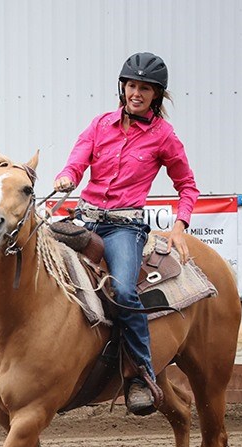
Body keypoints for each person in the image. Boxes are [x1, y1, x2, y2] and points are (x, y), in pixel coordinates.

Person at [52, 52, 199, 416]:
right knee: (34, 259)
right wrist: (68, 176)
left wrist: (180, 226)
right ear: (123, 88)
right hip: (85, 218)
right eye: (132, 85)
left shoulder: (164, 137)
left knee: (123, 290)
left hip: (123, 227)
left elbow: (187, 186)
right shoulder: (100, 124)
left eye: (144, 88)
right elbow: (77, 160)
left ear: (156, 95)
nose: (136, 93)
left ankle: (140, 375)